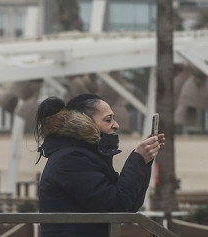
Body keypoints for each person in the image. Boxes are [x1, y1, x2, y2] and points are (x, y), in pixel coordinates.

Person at [35, 94, 165, 237]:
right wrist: (138, 159)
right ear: (85, 122)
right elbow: (116, 208)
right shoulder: (70, 159)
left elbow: (130, 205)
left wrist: (144, 160)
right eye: (108, 119)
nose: (116, 125)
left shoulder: (83, 155)